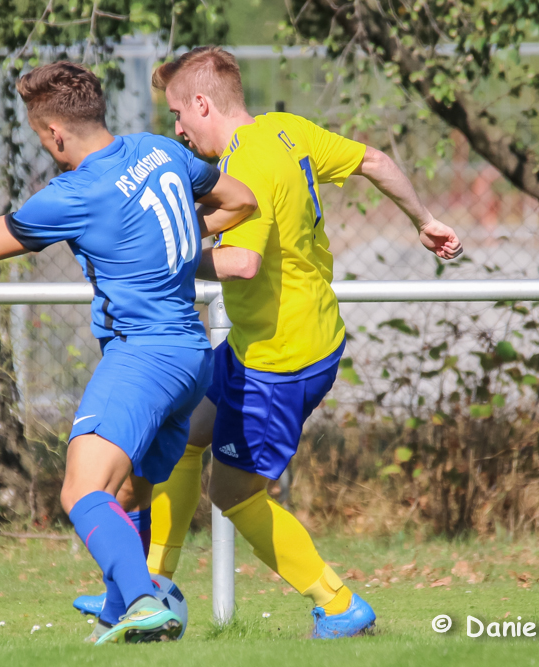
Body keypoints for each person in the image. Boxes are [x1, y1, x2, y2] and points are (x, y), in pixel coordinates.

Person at [0, 61, 257, 645]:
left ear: (55, 133)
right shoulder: (160, 151)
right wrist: (175, 246)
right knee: (130, 486)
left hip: (144, 357)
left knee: (81, 490)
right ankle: (120, 606)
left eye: (41, 137)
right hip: (190, 353)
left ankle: (142, 600)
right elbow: (241, 201)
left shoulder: (74, 193)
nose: (46, 146)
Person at [74, 47, 462, 639]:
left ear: (203, 103)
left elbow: (244, 263)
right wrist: (423, 219)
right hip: (277, 339)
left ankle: (338, 606)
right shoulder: (286, 129)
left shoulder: (246, 163)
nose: (176, 127)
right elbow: (375, 160)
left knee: (234, 493)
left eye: (179, 112)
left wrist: (166, 258)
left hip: (283, 359)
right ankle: (153, 584)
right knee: (184, 432)